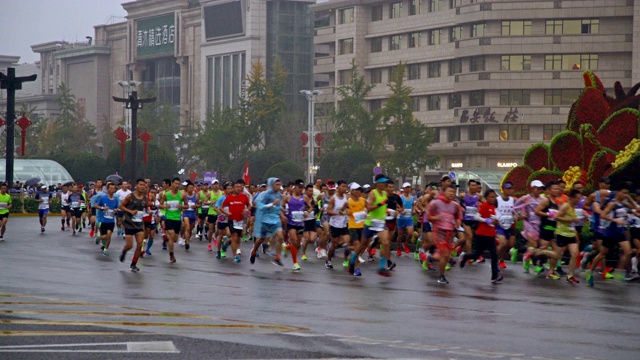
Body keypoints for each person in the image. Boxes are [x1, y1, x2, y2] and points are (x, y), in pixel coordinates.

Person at [348, 174, 392, 277]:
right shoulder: (373, 193)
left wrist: (387, 210)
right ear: (377, 184)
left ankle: (381, 267)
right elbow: (369, 208)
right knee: (363, 245)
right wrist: (381, 204)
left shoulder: (385, 193)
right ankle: (352, 260)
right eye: (383, 182)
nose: (385, 184)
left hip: (381, 222)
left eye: (386, 182)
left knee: (386, 243)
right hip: (371, 222)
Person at [460, 189, 503, 284]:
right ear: (486, 197)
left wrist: (496, 222)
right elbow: (476, 217)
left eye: (494, 197)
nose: (493, 198)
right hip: (482, 234)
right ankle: (466, 257)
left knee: (494, 254)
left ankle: (494, 276)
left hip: (491, 234)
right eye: (491, 196)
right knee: (477, 254)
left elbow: (496, 219)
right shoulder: (484, 206)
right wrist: (485, 220)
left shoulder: (494, 207)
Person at [427, 185, 463, 284]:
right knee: (445, 254)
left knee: (446, 255)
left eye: (453, 191)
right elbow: (428, 216)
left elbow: (459, 215)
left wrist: (458, 221)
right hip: (439, 231)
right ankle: (441, 276)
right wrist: (436, 218)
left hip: (450, 232)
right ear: (443, 192)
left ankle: (431, 258)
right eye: (449, 191)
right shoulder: (435, 203)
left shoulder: (455, 205)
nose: (451, 193)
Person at [250, 178, 286, 267]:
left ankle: (277, 257)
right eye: (276, 185)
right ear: (271, 185)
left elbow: (278, 207)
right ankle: (254, 250)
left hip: (275, 220)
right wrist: (271, 204)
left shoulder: (279, 195)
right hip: (265, 220)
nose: (278, 187)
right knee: (261, 239)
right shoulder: (264, 194)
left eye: (279, 185)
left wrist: (282, 213)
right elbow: (258, 205)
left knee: (281, 236)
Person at [513, 180, 545, 273]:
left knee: (532, 246)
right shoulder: (525, 198)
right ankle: (536, 266)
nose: (539, 190)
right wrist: (520, 214)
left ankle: (519, 252)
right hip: (528, 224)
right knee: (534, 245)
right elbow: (515, 207)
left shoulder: (542, 199)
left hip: (538, 225)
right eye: (538, 188)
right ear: (533, 188)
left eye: (541, 189)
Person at [552, 189, 583, 284]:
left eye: (580, 198)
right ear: (572, 198)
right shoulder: (565, 206)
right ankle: (543, 255)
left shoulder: (574, 207)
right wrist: (571, 219)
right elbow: (556, 217)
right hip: (562, 233)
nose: (579, 200)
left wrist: (575, 233)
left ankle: (570, 275)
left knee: (574, 253)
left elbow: (572, 223)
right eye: (577, 198)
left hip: (571, 234)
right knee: (557, 255)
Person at [119, 179, 148, 272]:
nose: (142, 187)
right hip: (129, 223)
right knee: (130, 245)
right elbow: (121, 206)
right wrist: (130, 211)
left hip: (139, 224)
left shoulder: (144, 198)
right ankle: (124, 251)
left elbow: (146, 207)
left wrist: (150, 209)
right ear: (136, 185)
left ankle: (133, 264)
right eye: (140, 185)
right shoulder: (130, 196)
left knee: (140, 245)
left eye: (144, 185)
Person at [220, 180, 251, 263]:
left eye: (240, 187)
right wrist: (226, 213)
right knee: (234, 236)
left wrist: (246, 210)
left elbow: (249, 205)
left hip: (240, 221)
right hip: (231, 220)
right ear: (233, 188)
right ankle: (235, 256)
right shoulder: (229, 198)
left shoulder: (244, 197)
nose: (239, 188)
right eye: (237, 187)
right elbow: (221, 207)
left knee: (238, 238)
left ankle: (225, 243)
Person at [282, 179, 307, 270]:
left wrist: (307, 211)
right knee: (295, 241)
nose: (300, 189)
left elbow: (311, 206)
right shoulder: (288, 197)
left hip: (300, 223)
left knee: (297, 245)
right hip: (291, 223)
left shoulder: (304, 198)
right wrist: (283, 214)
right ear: (295, 187)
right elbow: (280, 206)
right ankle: (295, 263)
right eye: (299, 187)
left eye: (302, 188)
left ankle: (287, 247)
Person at [160, 178, 187, 263]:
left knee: (175, 239)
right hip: (169, 218)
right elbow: (160, 205)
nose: (177, 185)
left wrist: (181, 207)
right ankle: (171, 255)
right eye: (175, 183)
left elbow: (187, 205)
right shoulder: (166, 195)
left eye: (179, 184)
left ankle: (166, 238)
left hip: (177, 219)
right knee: (171, 235)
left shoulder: (182, 195)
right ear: (172, 184)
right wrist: (165, 206)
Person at [326, 180, 350, 270]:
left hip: (344, 224)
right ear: (338, 187)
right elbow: (328, 211)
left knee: (346, 243)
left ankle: (346, 260)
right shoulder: (333, 198)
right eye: (343, 186)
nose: (344, 188)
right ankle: (328, 260)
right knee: (334, 244)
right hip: (335, 224)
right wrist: (337, 213)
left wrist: (348, 212)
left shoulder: (346, 198)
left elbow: (349, 208)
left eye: (345, 187)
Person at [347, 182, 366, 275]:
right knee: (358, 246)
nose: (359, 192)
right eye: (357, 190)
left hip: (362, 226)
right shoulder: (349, 201)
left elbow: (369, 208)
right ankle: (356, 268)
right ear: (352, 191)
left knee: (361, 247)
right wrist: (348, 213)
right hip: (353, 226)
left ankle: (348, 250)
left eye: (360, 190)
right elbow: (343, 211)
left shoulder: (363, 200)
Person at [96, 183, 119, 256]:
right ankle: (99, 238)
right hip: (103, 221)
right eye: (111, 188)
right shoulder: (103, 198)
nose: (112, 190)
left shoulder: (115, 199)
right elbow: (96, 206)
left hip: (111, 220)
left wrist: (116, 210)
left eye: (114, 188)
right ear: (107, 189)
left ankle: (106, 249)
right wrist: (103, 208)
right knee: (104, 236)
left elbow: (117, 207)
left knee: (109, 235)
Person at [397, 182, 415, 256]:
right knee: (400, 235)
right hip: (401, 218)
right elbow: (397, 206)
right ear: (403, 189)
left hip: (409, 218)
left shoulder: (412, 198)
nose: (408, 189)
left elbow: (413, 206)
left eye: (409, 187)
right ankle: (398, 248)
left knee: (410, 233)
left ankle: (405, 243)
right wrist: (401, 211)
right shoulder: (400, 197)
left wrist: (414, 210)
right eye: (406, 187)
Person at [181, 181, 198, 251]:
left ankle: (187, 239)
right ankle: (187, 242)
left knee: (190, 229)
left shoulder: (196, 196)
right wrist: (183, 208)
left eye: (192, 188)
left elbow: (198, 204)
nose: (191, 189)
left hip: (193, 214)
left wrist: (196, 206)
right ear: (187, 188)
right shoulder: (184, 195)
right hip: (186, 213)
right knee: (187, 227)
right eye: (189, 188)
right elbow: (181, 204)